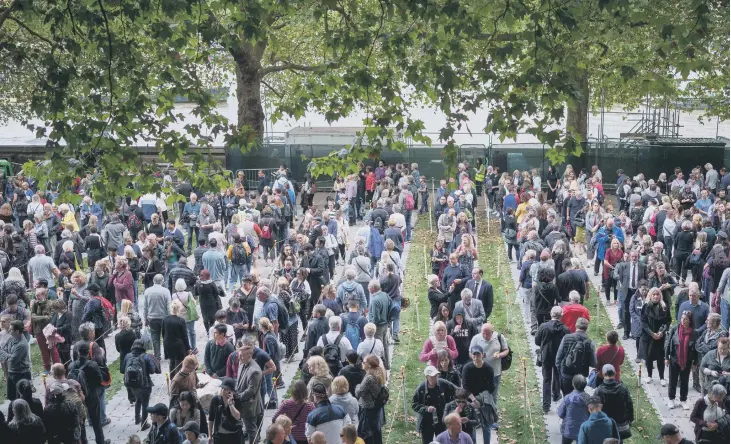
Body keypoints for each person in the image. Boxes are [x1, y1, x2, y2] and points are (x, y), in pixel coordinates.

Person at [68, 342, 109, 444]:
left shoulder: (71, 365)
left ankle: (84, 441)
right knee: (96, 421)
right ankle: (100, 441)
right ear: (88, 352)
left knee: (81, 421)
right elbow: (100, 380)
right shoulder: (92, 365)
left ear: (77, 352)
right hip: (91, 395)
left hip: (78, 397)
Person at [535, 306, 570, 413]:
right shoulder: (565, 329)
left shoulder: (543, 326)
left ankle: (546, 405)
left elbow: (537, 341)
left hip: (546, 355)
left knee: (546, 379)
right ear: (561, 315)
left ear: (551, 314)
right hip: (559, 356)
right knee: (557, 375)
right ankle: (556, 394)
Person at [413, 364, 458, 444]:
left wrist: (453, 405)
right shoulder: (421, 388)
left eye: (436, 376)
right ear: (427, 377)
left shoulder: (442, 383)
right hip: (426, 422)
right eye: (432, 377)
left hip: (442, 419)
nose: (434, 378)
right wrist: (426, 408)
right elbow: (414, 404)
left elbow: (457, 390)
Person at [123, 339, 161, 429]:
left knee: (137, 400)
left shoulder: (128, 356)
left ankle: (137, 419)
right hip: (145, 384)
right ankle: (144, 424)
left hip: (132, 385)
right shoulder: (146, 356)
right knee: (145, 404)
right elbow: (152, 371)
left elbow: (122, 369)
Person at [664, 310, 697, 410]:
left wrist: (695, 362)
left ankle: (683, 399)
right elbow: (668, 343)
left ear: (690, 321)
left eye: (686, 319)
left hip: (687, 361)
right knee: (672, 380)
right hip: (674, 358)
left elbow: (695, 349)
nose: (683, 321)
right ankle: (671, 399)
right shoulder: (675, 329)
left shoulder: (694, 333)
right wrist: (666, 357)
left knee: (685, 381)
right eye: (682, 318)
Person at [556, 317, 596, 396]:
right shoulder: (589, 342)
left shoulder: (566, 338)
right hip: (581, 376)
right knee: (578, 396)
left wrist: (560, 371)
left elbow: (558, 357)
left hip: (566, 373)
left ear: (575, 326)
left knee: (567, 397)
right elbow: (593, 363)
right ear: (586, 328)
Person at [641, 287, 671, 385]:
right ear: (650, 295)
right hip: (649, 336)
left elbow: (667, 320)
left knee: (660, 357)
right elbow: (643, 321)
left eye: (657, 294)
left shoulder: (664, 306)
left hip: (660, 336)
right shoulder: (646, 306)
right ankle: (649, 375)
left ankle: (662, 377)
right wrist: (651, 333)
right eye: (653, 294)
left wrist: (661, 332)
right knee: (648, 356)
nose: (655, 296)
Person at [594, 364, 633, 440]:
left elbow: (595, 409)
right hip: (621, 425)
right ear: (615, 373)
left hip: (605, 425)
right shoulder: (623, 388)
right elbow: (629, 404)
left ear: (603, 374)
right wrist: (630, 419)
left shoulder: (599, 391)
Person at [355, 355, 388, 444]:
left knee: (366, 433)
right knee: (376, 431)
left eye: (364, 362)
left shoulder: (369, 378)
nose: (362, 363)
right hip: (375, 407)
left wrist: (357, 385)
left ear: (369, 365)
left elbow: (358, 392)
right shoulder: (378, 373)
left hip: (367, 408)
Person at [141, 274, 172, 359]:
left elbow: (145, 307)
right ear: (162, 281)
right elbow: (169, 306)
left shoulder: (147, 291)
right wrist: (171, 317)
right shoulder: (166, 291)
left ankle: (157, 355)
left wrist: (145, 318)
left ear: (153, 281)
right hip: (164, 317)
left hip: (152, 317)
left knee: (155, 338)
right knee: (166, 336)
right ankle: (167, 354)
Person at [0, 320, 30, 401]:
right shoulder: (12, 338)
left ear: (17, 331)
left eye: (11, 329)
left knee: (22, 398)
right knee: (12, 397)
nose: (9, 331)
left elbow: (12, 360)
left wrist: (2, 352)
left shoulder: (22, 344)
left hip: (21, 373)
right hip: (12, 372)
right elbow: (6, 350)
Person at [557, 375, 590, 444]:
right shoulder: (588, 398)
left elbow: (560, 413)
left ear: (573, 384)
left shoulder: (568, 398)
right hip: (583, 430)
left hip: (568, 429)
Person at [163, 300, 191, 379]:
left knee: (171, 362)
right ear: (180, 309)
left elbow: (163, 333)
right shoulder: (181, 321)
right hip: (178, 344)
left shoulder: (165, 319)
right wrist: (188, 348)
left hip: (168, 343)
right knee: (179, 363)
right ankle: (178, 380)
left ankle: (172, 379)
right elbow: (185, 336)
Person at [366, 280, 391, 370]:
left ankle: (381, 368)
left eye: (369, 287)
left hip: (378, 327)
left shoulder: (374, 300)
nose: (368, 289)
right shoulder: (385, 295)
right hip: (385, 324)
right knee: (385, 346)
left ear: (372, 288)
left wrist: (371, 326)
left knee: (379, 348)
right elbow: (390, 305)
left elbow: (376, 317)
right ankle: (387, 365)